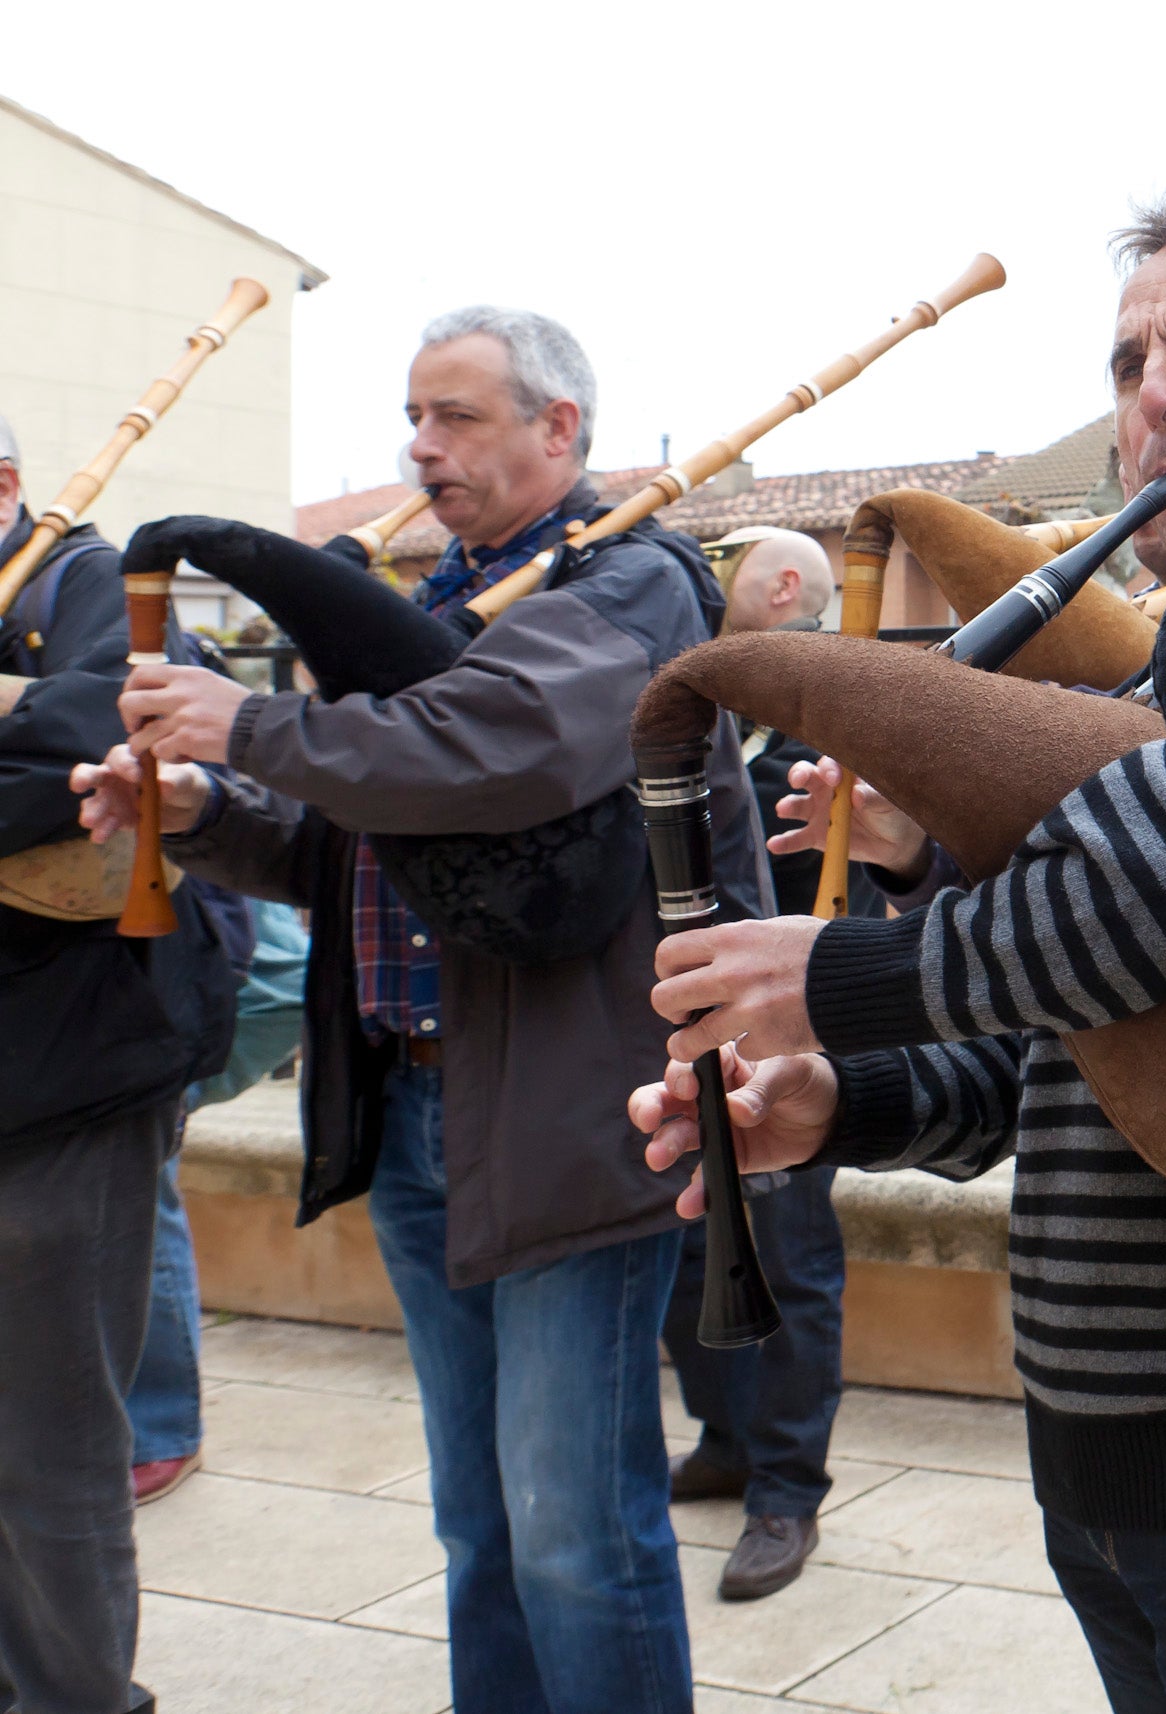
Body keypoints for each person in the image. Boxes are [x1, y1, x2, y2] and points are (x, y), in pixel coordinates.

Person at [631, 182, 1166, 1712]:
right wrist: (838, 1101)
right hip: (1094, 1462)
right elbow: (1064, 1053)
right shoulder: (1160, 692)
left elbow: (1152, 888)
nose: (1156, 399)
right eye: (1130, 366)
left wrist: (832, 979)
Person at [73, 308, 763, 1714]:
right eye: (414, 415)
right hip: (412, 1106)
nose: (420, 445)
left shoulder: (628, 589)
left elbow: (488, 748)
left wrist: (243, 723)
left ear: (558, 430)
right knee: (484, 1526)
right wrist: (202, 806)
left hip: (575, 1115)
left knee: (575, 1533)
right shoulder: (443, 599)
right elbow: (356, 840)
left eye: (454, 415)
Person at [0, 412, 238, 1714]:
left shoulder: (99, 582)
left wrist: (28, 722)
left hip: (71, 1080)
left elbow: (103, 745)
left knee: (48, 1450)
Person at [662, 523, 856, 1601]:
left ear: (780, 587)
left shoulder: (824, 717)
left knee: (786, 1268)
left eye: (722, 561)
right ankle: (726, 1440)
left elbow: (858, 900)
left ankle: (786, 1491)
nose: (699, 576)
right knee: (690, 1262)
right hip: (688, 1032)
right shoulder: (699, 711)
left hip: (787, 1049)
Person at [131, 892, 310, 1505]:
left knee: (138, 1199)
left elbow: (286, 988)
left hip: (119, 1055)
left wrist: (180, 1079)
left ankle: (158, 1432)